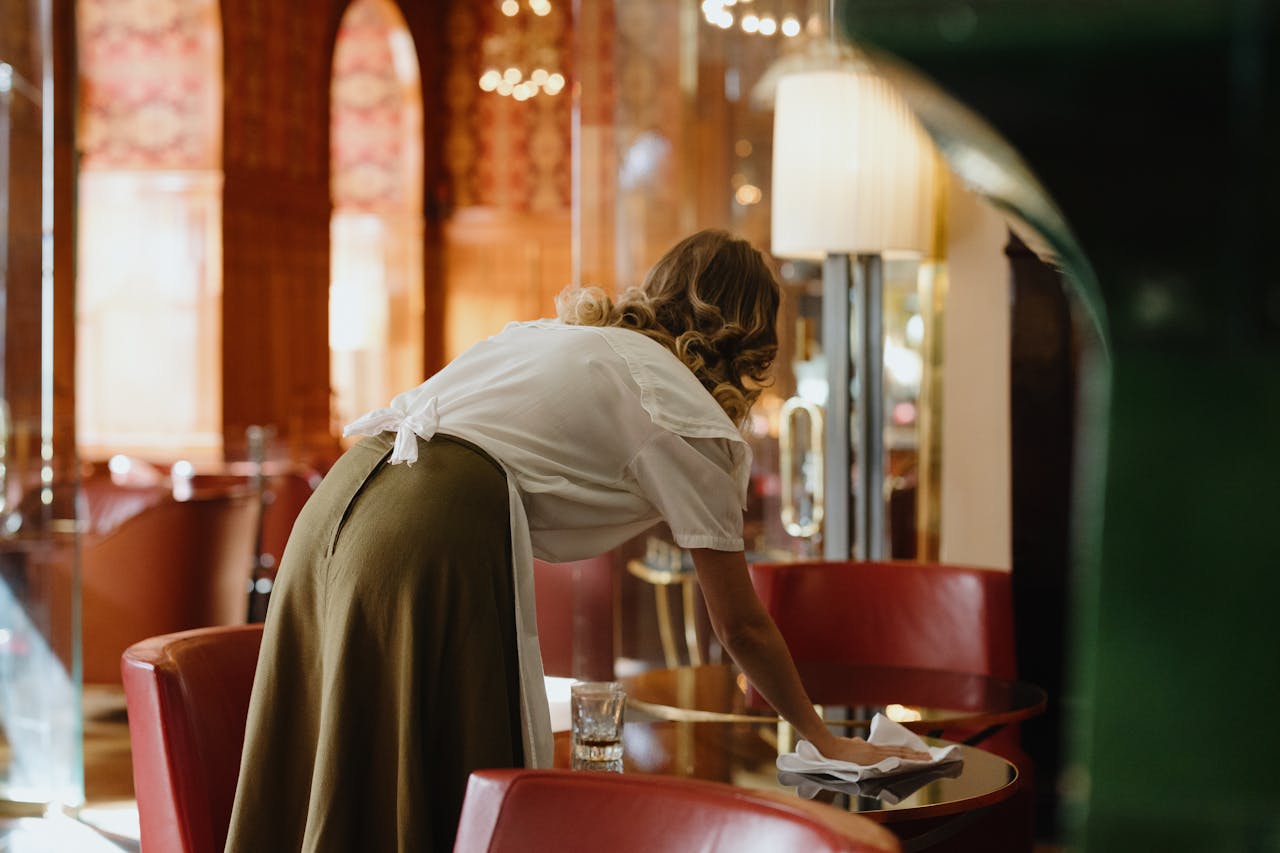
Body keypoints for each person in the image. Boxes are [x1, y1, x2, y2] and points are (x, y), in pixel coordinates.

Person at [224, 229, 927, 853]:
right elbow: (740, 624)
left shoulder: (558, 336)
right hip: (428, 531)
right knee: (456, 784)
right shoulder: (684, 413)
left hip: (336, 503)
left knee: (335, 751)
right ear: (752, 342)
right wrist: (820, 734)